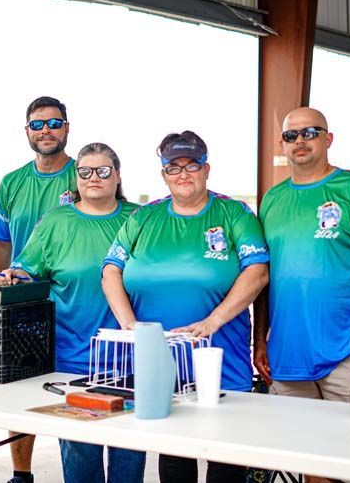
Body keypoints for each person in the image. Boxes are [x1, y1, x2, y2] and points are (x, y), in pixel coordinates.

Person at [102, 130, 269, 483]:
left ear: (206, 168)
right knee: (174, 457)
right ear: (163, 173)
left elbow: (257, 273)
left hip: (222, 360)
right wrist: (129, 325)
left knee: (225, 458)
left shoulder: (234, 213)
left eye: (191, 164)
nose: (183, 173)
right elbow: (110, 272)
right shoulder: (143, 218)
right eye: (173, 167)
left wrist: (212, 321)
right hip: (162, 365)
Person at [253, 107, 350, 483]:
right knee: (311, 461)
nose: (299, 141)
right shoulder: (272, 200)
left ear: (328, 139)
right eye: (291, 135)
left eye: (310, 133)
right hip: (288, 355)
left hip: (348, 348)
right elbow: (261, 278)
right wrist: (260, 339)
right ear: (283, 144)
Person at [0, 142, 145, 483]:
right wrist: (13, 276)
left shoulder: (140, 219)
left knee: (129, 462)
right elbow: (27, 270)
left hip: (131, 360)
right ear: (76, 177)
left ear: (117, 175)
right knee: (81, 465)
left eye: (103, 170)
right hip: (73, 361)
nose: (94, 177)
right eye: (85, 171)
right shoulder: (55, 222)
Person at [0, 96, 77, 483]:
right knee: (21, 392)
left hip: (72, 304)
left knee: (73, 395)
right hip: (23, 304)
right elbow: (0, 243)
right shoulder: (12, 182)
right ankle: (21, 473)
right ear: (26, 131)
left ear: (67, 128)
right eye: (37, 125)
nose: (46, 131)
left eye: (54, 123)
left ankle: (78, 469)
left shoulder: (84, 174)